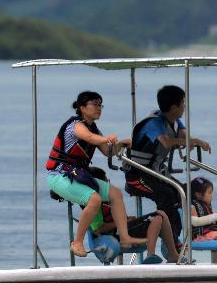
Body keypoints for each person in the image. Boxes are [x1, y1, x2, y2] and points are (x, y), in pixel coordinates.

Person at [46, 91, 146, 257]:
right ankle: (77, 242)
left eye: (100, 104)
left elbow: (108, 151)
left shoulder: (94, 129)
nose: (98, 108)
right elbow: (90, 138)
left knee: (115, 193)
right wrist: (107, 138)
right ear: (82, 107)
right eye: (94, 104)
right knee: (94, 200)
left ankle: (125, 238)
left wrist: (121, 144)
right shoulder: (75, 126)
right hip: (59, 176)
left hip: (77, 174)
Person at [124, 85, 211, 245]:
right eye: (183, 104)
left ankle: (178, 237)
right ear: (173, 107)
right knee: (166, 196)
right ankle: (166, 239)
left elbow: (184, 136)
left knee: (185, 192)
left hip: (156, 173)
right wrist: (195, 141)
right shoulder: (154, 123)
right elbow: (166, 142)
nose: (184, 107)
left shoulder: (176, 121)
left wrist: (192, 141)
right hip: (137, 175)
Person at [88, 167, 179, 264]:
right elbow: (98, 229)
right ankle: (152, 254)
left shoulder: (110, 199)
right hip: (116, 235)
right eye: (106, 181)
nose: (109, 184)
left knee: (161, 214)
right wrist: (122, 222)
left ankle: (172, 255)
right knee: (157, 217)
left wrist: (127, 219)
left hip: (122, 230)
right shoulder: (93, 203)